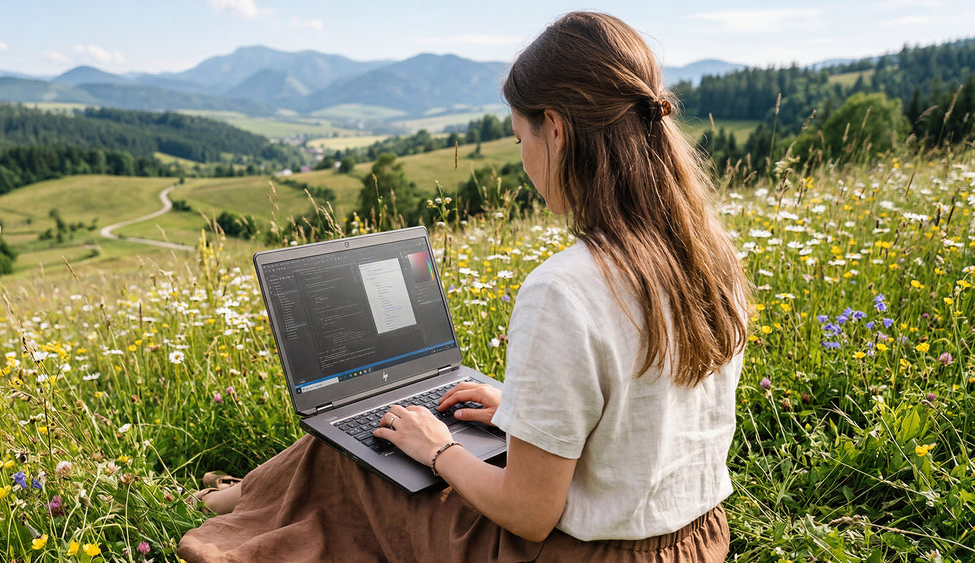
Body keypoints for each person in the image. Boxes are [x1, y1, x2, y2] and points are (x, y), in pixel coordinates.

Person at [179, 11, 750, 562]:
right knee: (381, 426)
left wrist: (440, 450)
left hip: (577, 554)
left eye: (520, 138)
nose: (523, 158)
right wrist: (522, 416)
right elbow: (639, 417)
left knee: (364, 448)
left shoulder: (565, 289)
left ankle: (224, 504)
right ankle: (238, 494)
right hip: (694, 541)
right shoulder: (707, 255)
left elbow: (528, 515)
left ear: (555, 129)